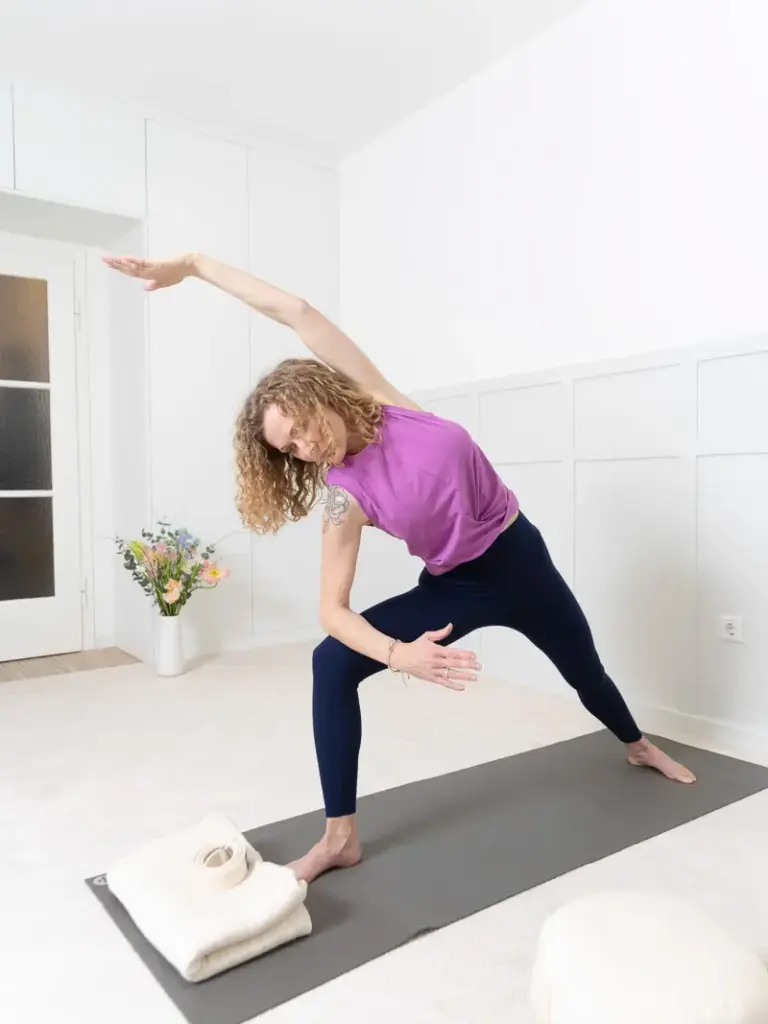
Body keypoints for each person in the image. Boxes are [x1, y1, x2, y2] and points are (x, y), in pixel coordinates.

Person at [103, 251, 696, 883]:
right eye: (289, 448)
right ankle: (339, 837)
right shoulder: (342, 495)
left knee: (586, 672)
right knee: (330, 661)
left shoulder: (384, 401)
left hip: (522, 561)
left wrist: (195, 266)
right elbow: (330, 610)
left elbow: (297, 312)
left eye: (302, 427)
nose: (305, 447)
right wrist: (396, 654)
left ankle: (636, 745)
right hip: (457, 587)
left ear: (318, 396)